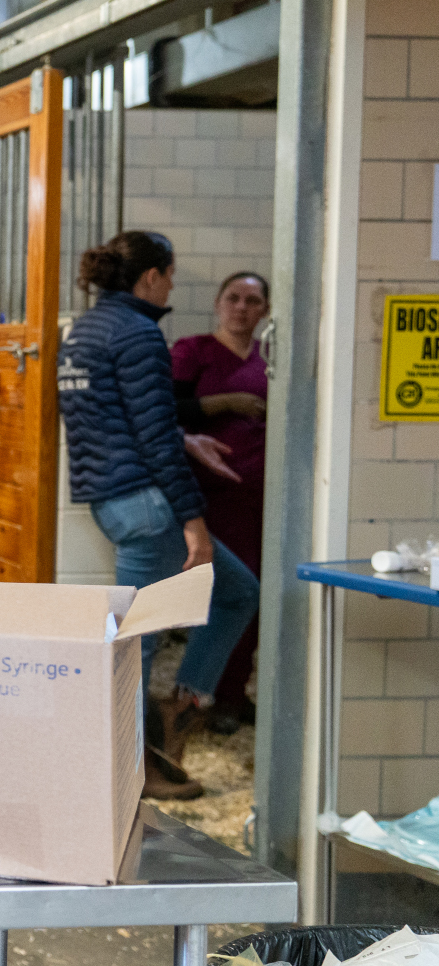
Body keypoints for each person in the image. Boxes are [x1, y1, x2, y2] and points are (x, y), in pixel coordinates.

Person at [57, 231, 259, 800]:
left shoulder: (85, 330)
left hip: (109, 498)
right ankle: (130, 770)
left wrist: (185, 436)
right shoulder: (140, 333)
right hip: (147, 503)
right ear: (150, 277)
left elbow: (118, 418)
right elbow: (150, 438)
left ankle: (183, 706)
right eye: (169, 275)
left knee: (238, 593)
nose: (171, 285)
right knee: (137, 641)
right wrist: (193, 521)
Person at [173, 271, 271, 735]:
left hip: (255, 498)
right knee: (218, 596)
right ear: (217, 303)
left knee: (252, 596)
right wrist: (226, 402)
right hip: (205, 498)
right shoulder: (192, 352)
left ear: (265, 311)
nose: (241, 308)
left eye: (253, 301)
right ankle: (198, 700)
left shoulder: (270, 360)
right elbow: (169, 410)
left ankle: (234, 692)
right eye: (233, 298)